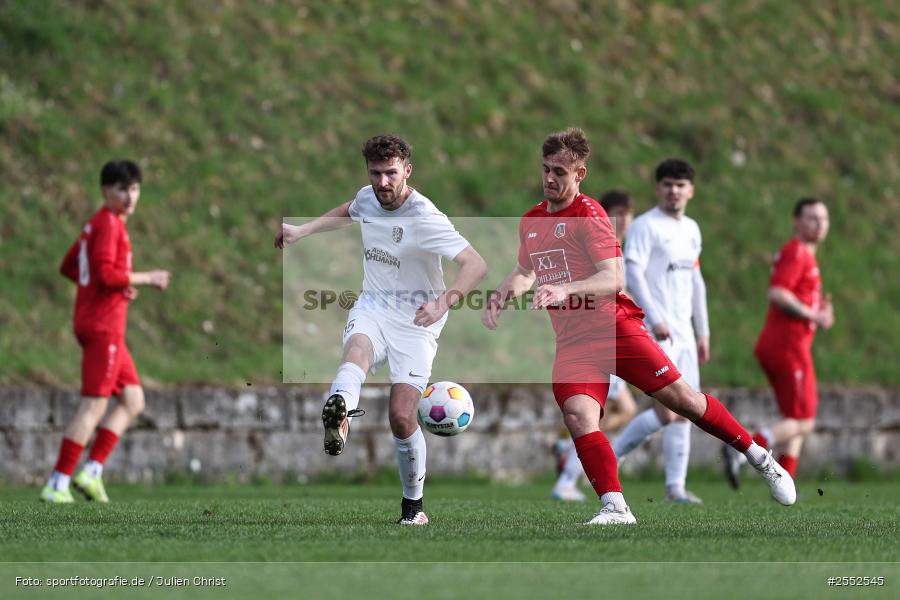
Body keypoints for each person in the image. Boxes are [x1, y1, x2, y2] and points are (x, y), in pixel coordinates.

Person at [482, 128, 795, 525]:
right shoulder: (531, 221)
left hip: (614, 330)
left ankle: (759, 457)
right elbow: (526, 271)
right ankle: (615, 507)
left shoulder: (590, 215)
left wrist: (566, 288)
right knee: (579, 416)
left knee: (685, 402)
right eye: (545, 169)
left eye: (559, 171)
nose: (549, 179)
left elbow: (612, 278)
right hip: (573, 342)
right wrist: (504, 292)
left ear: (581, 174)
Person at [276, 134, 487, 525]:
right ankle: (339, 414)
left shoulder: (425, 217)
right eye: (376, 174)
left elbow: (475, 264)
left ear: (408, 170)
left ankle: (414, 509)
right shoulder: (369, 196)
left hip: (417, 322)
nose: (383, 183)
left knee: (402, 417)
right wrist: (303, 231)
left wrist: (443, 303)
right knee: (356, 349)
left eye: (391, 174)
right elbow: (351, 209)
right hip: (374, 305)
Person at [42, 160, 170, 503]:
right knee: (94, 406)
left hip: (99, 322)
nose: (129, 197)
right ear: (105, 191)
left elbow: (70, 265)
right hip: (103, 327)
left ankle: (92, 471)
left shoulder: (95, 224)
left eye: (134, 189)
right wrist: (147, 278)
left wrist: (106, 290)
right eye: (121, 189)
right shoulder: (110, 224)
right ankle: (57, 482)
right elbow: (105, 274)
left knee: (133, 399)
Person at [611, 160, 710, 504]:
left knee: (690, 410)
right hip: (656, 332)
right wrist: (654, 318)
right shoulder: (644, 226)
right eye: (667, 184)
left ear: (691, 191)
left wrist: (703, 331)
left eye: (681, 185)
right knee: (668, 411)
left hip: (684, 334)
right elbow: (633, 274)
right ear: (657, 189)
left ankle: (675, 488)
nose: (674, 191)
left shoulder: (692, 229)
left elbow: (696, 280)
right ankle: (610, 460)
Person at [723, 198, 833, 487]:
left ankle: (785, 482)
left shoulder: (806, 256)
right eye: (812, 218)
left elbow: (798, 297)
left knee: (794, 419)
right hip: (788, 347)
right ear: (797, 221)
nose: (819, 224)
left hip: (788, 345)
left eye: (823, 218)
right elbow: (779, 294)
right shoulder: (797, 252)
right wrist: (813, 314)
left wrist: (818, 313)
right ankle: (744, 449)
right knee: (805, 420)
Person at [551, 190, 637, 502]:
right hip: (599, 339)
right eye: (617, 213)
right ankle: (568, 478)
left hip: (615, 336)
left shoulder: (615, 247)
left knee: (615, 412)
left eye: (628, 214)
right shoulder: (591, 245)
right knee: (601, 416)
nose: (623, 220)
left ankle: (573, 463)